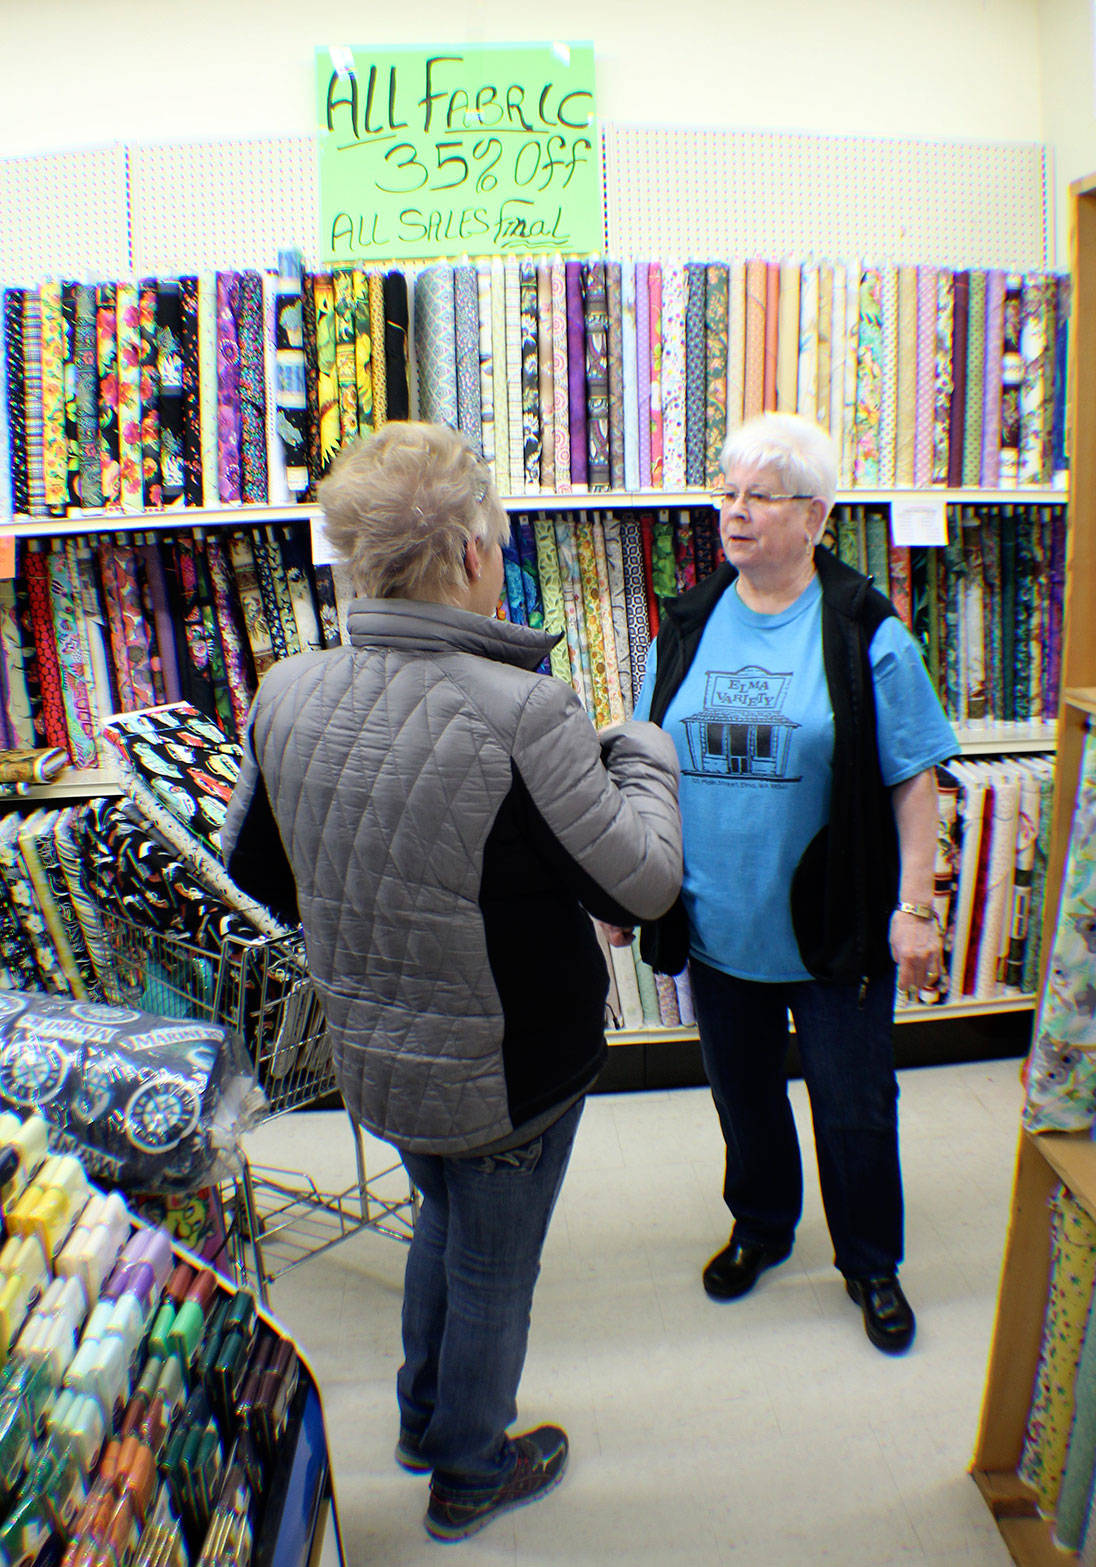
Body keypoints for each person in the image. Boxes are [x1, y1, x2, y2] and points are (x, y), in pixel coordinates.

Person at [221, 423, 682, 1539]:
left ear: (349, 558)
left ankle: (426, 1414)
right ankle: (469, 1463)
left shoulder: (286, 690)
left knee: (443, 1216)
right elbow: (646, 885)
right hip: (510, 1061)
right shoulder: (523, 709)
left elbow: (256, 874)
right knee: (492, 1266)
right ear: (476, 553)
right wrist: (645, 756)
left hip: (379, 1049)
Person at [626, 411, 955, 1356]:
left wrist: (915, 906)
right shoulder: (687, 621)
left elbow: (913, 772)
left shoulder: (862, 628)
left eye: (756, 496)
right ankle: (763, 1224)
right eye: (724, 492)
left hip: (834, 918)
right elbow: (651, 758)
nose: (732, 512)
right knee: (743, 1093)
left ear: (815, 514)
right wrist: (629, 886)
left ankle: (869, 1261)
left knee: (853, 1102)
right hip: (719, 916)